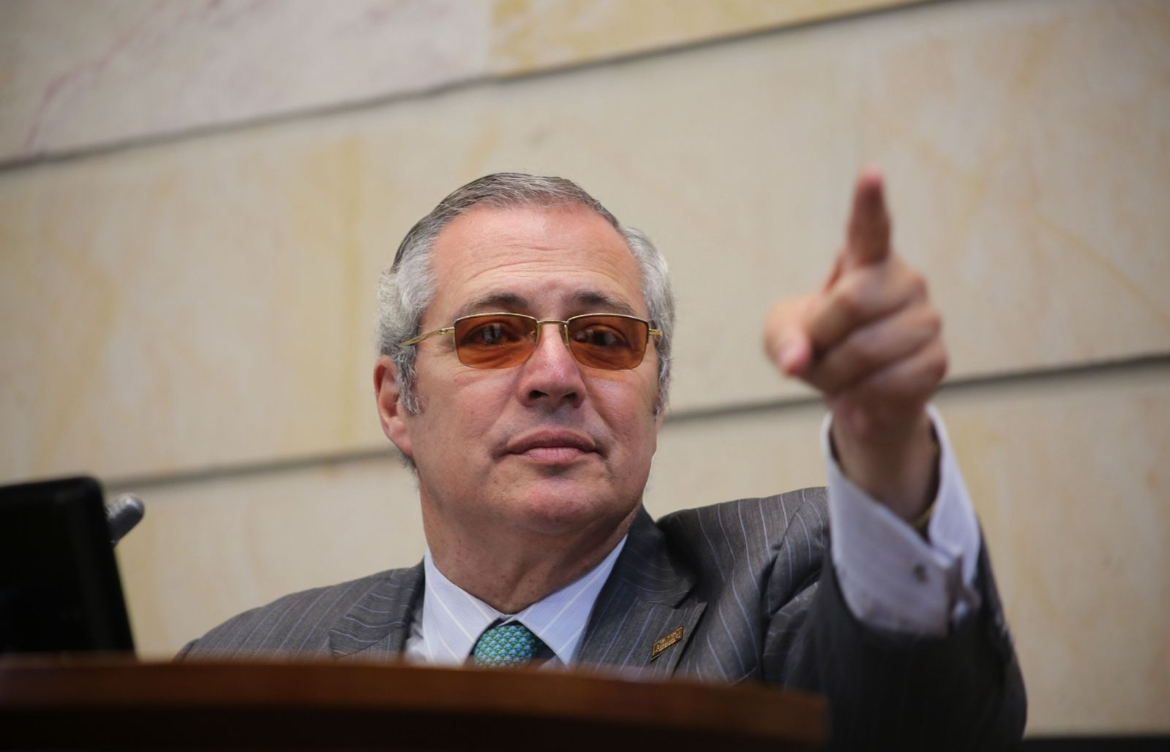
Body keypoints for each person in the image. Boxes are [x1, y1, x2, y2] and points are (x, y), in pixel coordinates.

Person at [181, 171, 1026, 748]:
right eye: (492, 333)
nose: (556, 375)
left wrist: (886, 440)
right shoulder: (243, 669)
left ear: (657, 395)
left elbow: (922, 722)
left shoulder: (784, 580)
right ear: (398, 403)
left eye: (604, 337)